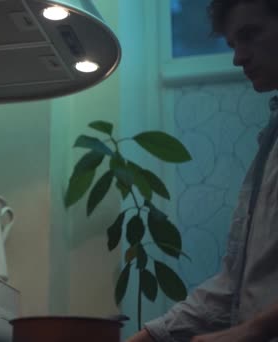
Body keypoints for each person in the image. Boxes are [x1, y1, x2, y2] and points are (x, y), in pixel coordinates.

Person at [127, 0, 278, 341]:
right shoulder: (270, 142)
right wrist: (151, 335)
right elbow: (234, 285)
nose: (238, 58)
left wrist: (253, 330)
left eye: (250, 35)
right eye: (232, 44)